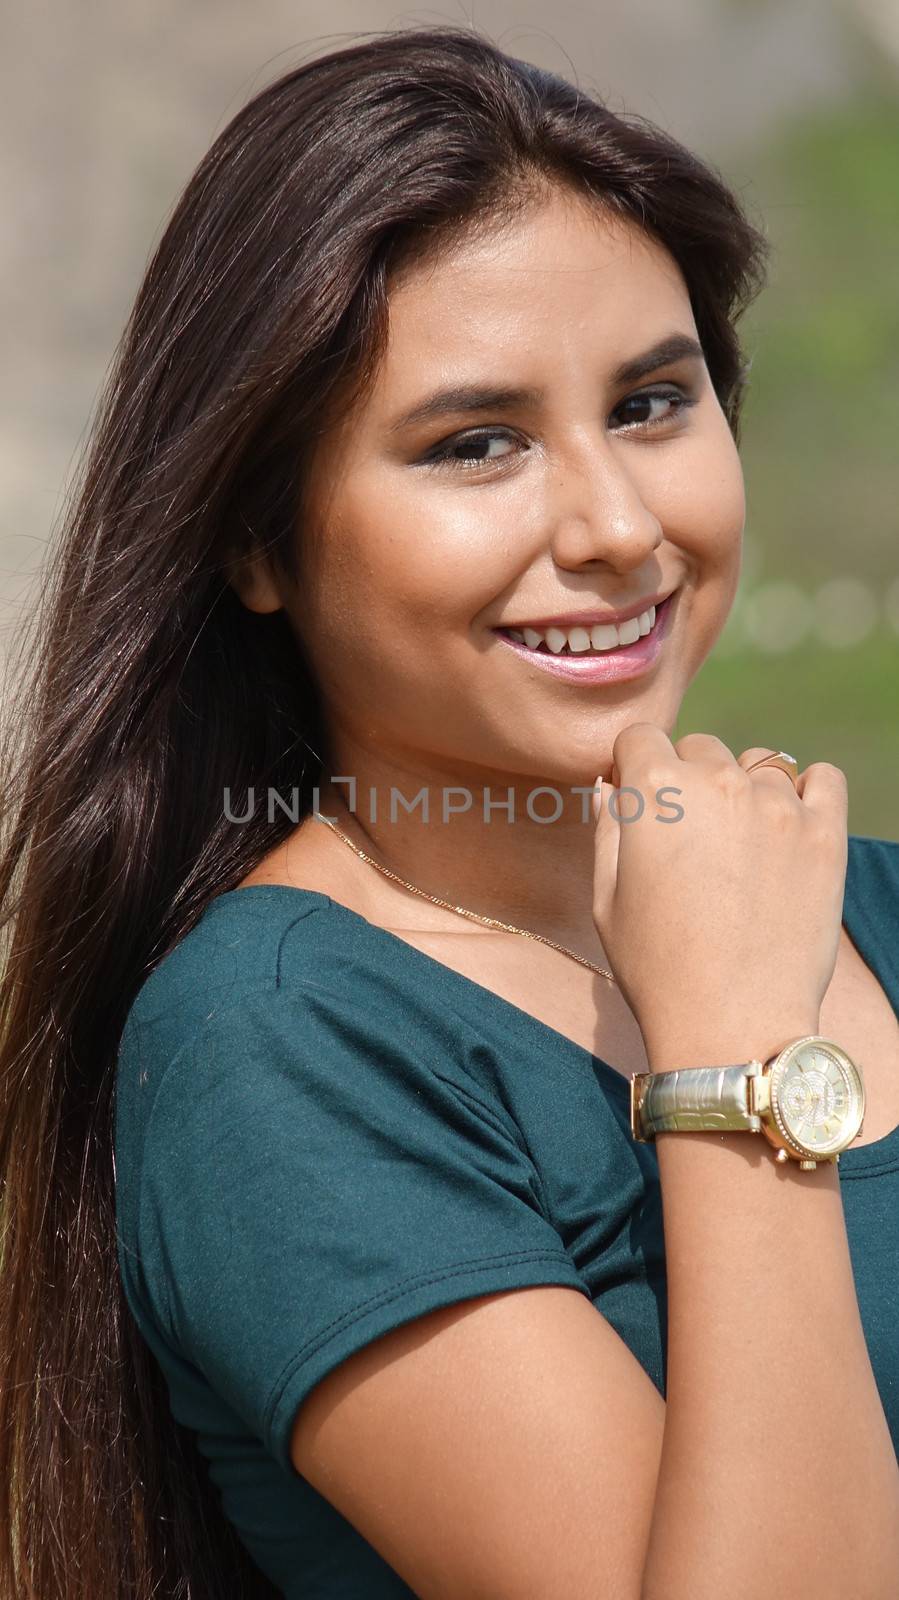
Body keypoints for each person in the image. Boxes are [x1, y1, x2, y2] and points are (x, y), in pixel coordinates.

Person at [1, 23, 897, 1600]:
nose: (617, 525)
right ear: (256, 544)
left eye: (653, 403)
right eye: (475, 444)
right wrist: (738, 1067)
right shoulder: (279, 1050)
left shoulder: (871, 904)